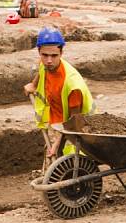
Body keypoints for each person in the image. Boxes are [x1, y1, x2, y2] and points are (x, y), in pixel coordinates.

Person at [23, 28, 94, 159]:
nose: (49, 60)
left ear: (61, 53)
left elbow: (73, 122)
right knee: (52, 156)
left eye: (54, 56)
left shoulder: (73, 85)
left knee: (68, 158)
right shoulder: (45, 64)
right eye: (45, 55)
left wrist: (57, 144)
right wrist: (33, 85)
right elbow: (42, 68)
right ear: (39, 52)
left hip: (77, 127)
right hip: (56, 120)